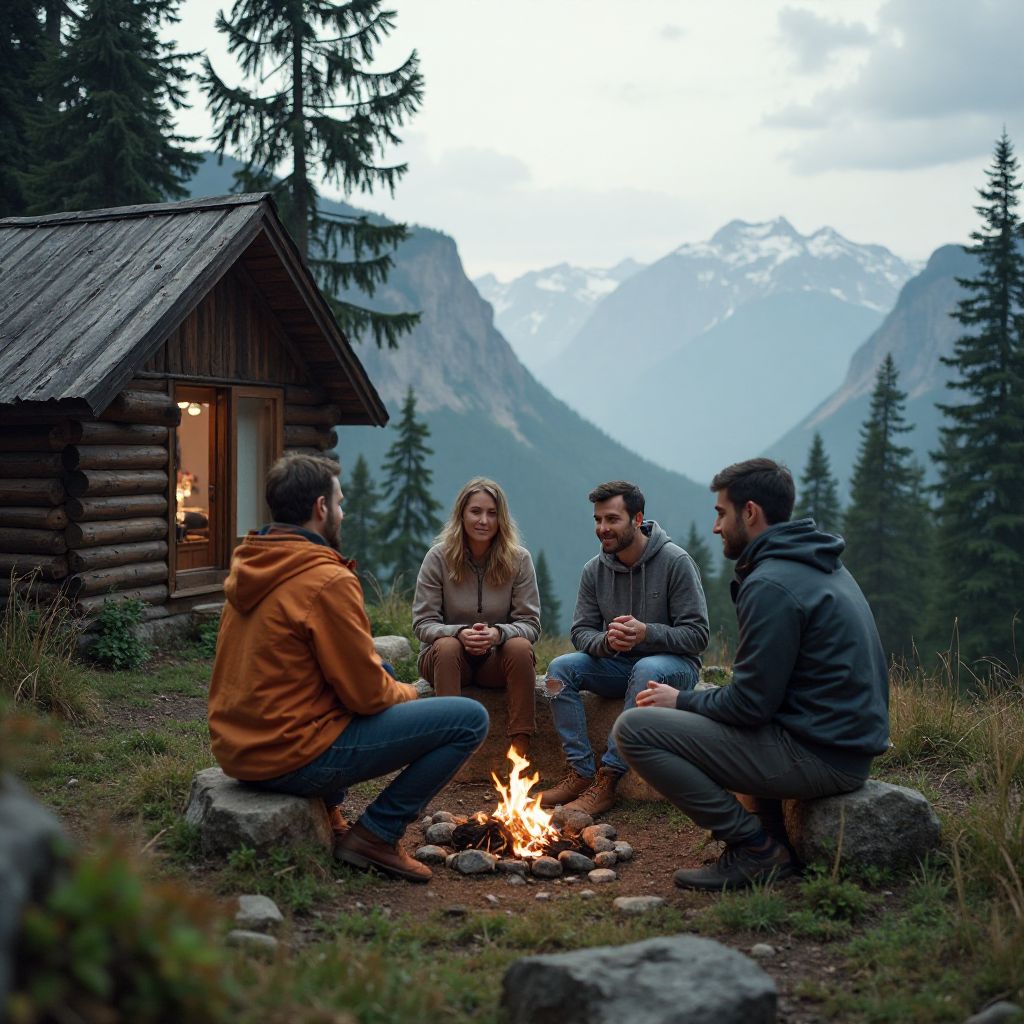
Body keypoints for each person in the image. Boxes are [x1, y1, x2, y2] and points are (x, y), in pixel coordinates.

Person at [208, 454, 488, 884]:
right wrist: (414, 693)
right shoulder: (325, 578)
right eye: (339, 503)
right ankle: (376, 835)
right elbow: (368, 697)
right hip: (288, 757)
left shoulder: (254, 563)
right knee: (468, 718)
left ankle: (331, 808)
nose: (343, 511)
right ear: (320, 508)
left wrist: (388, 680)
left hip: (239, 749)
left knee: (385, 667)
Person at [614, 458, 890, 890]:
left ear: (751, 512)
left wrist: (681, 700)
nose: (716, 527)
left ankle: (756, 849)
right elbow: (765, 695)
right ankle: (772, 834)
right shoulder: (814, 561)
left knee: (635, 729)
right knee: (710, 717)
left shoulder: (772, 584)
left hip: (822, 754)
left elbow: (749, 705)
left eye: (721, 513)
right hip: (841, 743)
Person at [536, 480, 709, 816]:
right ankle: (581, 771)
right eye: (598, 520)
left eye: (612, 519)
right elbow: (581, 631)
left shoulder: (675, 561)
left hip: (673, 668)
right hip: (618, 665)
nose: (603, 528)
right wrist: (606, 642)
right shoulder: (594, 570)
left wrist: (647, 634)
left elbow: (698, 635)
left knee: (646, 668)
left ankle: (609, 779)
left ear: (637, 517)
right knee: (559, 669)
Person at [413, 477, 541, 758]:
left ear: (501, 519)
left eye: (492, 513)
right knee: (447, 646)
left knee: (520, 647)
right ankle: (448, 746)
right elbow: (422, 623)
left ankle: (520, 747)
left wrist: (498, 634)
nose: (483, 520)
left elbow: (530, 624)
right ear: (462, 514)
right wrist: (458, 633)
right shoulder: (438, 558)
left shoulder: (518, 560)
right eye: (476, 512)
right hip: (445, 660)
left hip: (494, 661)